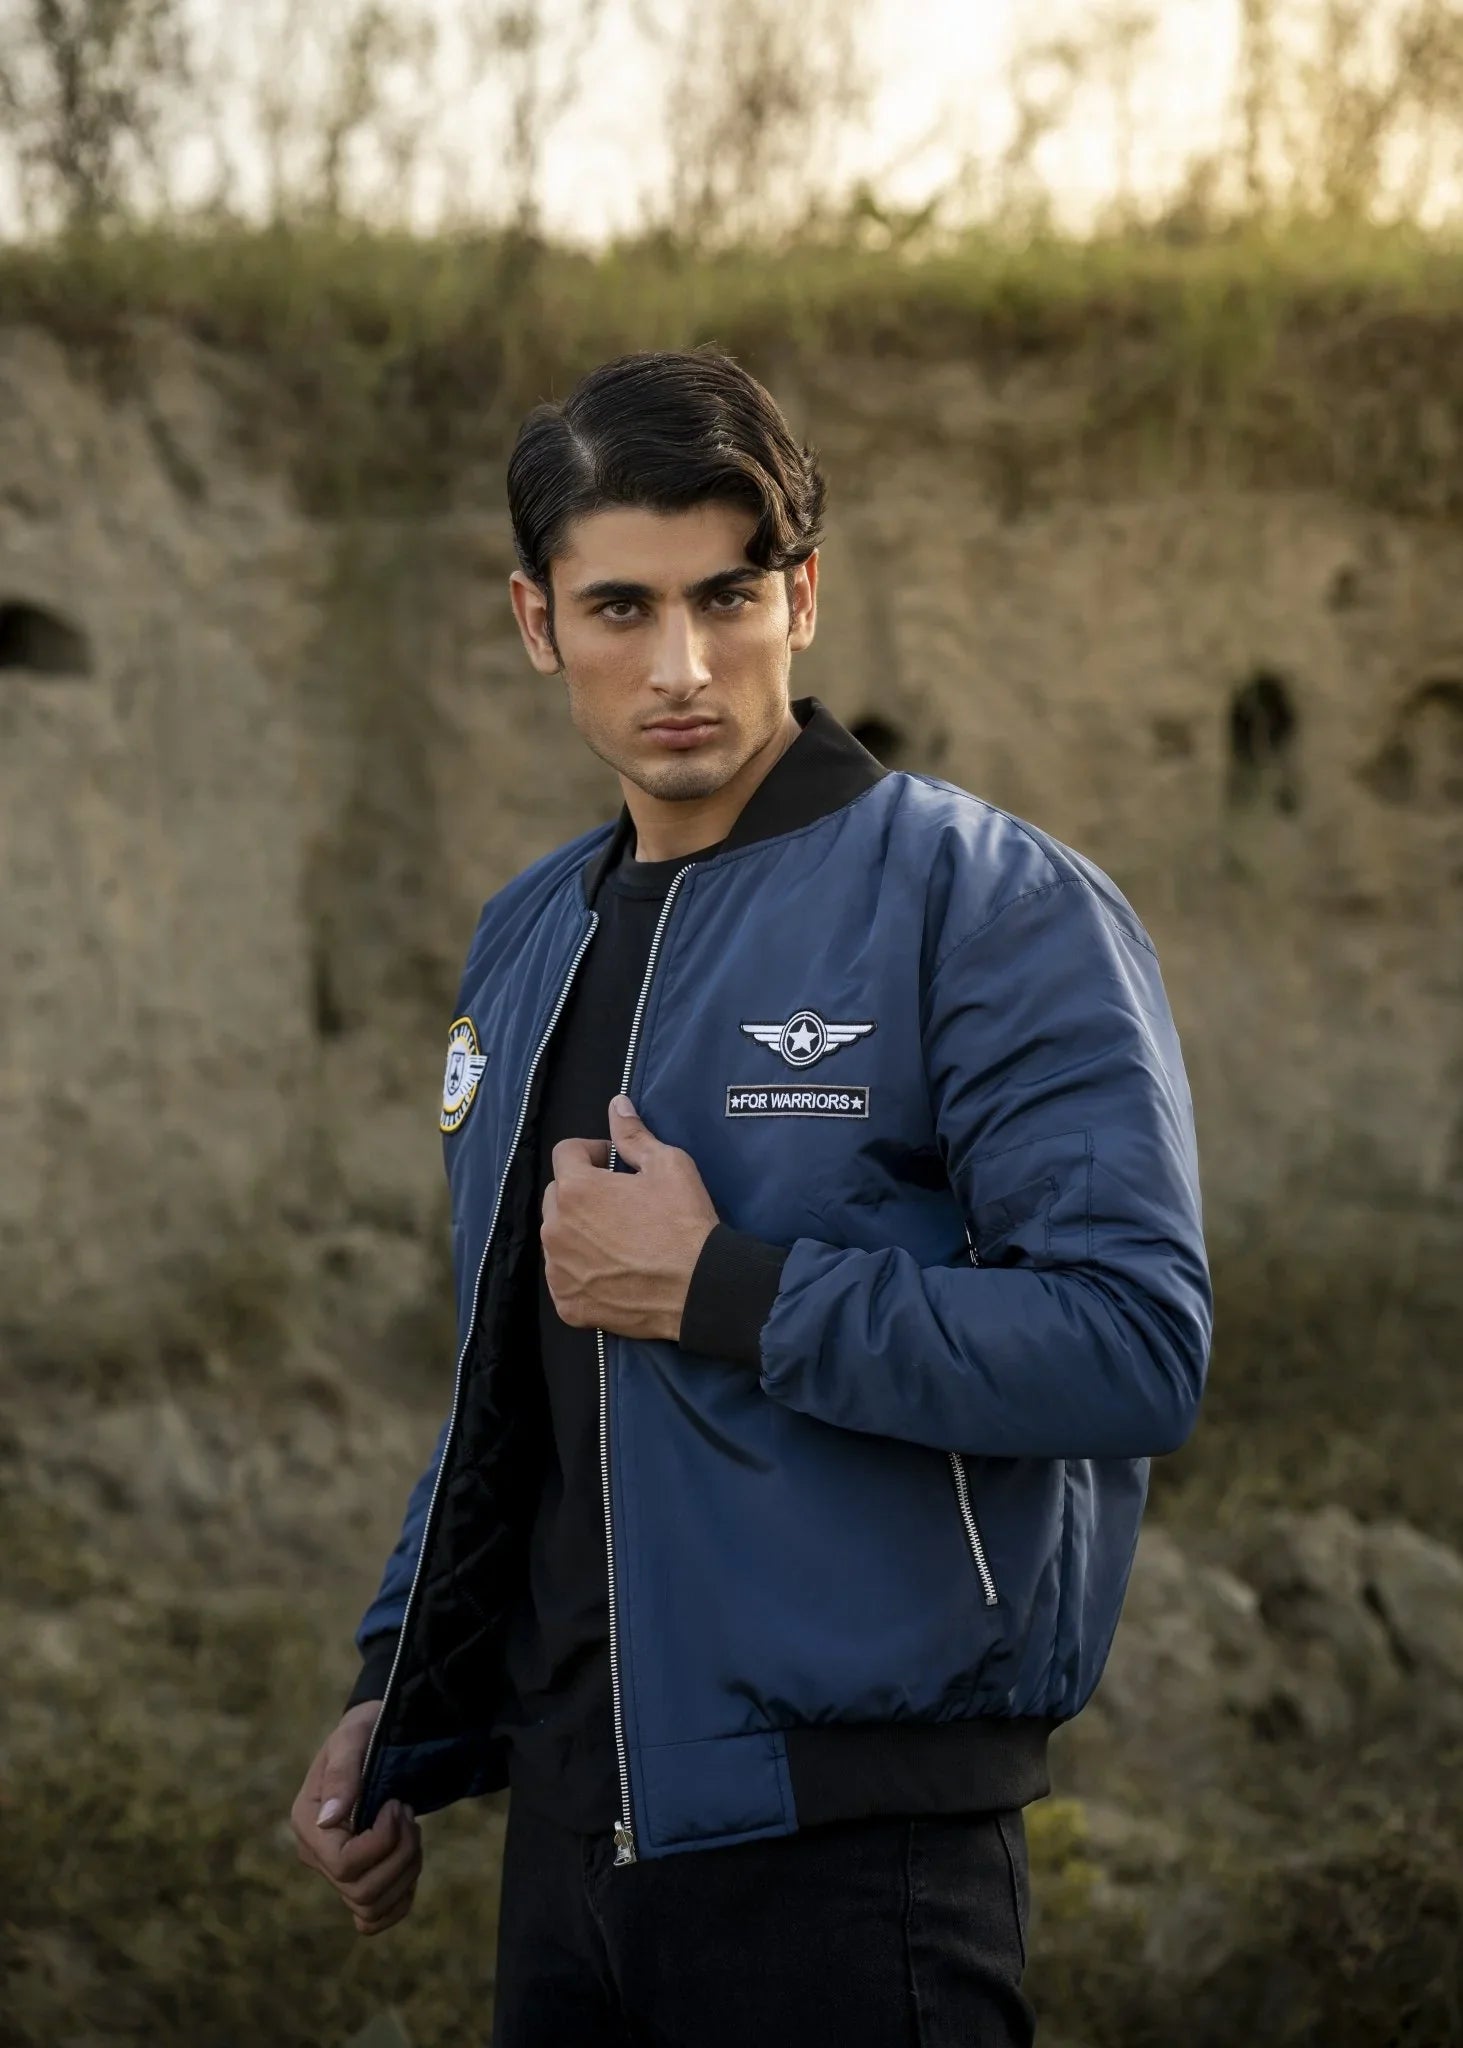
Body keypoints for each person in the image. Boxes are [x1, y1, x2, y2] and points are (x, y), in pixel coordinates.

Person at [290, 345, 1212, 2046]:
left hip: (856, 1861)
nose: (682, 667)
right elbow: (510, 1385)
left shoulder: (987, 904)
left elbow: (1134, 1347)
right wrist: (393, 1692)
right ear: (536, 622)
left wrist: (730, 1289)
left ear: (804, 597)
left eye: (726, 597)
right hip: (569, 1836)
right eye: (621, 608)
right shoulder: (527, 936)